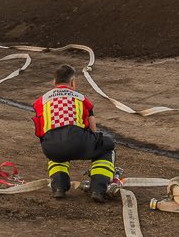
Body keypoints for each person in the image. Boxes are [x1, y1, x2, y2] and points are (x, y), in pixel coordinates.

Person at [32, 64, 117, 202]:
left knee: (58, 150)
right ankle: (98, 189)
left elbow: (41, 128)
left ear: (54, 82)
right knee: (106, 145)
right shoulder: (81, 99)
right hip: (77, 141)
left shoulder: (41, 101)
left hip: (51, 147)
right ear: (72, 82)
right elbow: (93, 130)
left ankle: (58, 186)